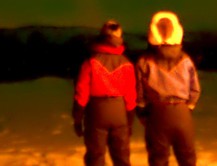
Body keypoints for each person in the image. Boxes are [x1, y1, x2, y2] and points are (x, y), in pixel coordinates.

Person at [135, 11, 200, 166]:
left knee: (158, 158)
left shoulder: (145, 61)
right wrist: (188, 106)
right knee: (187, 158)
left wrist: (143, 112)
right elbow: (195, 88)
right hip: (182, 112)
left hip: (157, 113)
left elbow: (139, 92)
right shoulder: (186, 60)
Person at [73, 19, 137, 166]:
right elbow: (131, 95)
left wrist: (77, 118)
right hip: (120, 112)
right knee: (122, 157)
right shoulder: (126, 63)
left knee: (95, 156)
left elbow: (81, 93)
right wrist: (129, 122)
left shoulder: (91, 62)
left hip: (96, 113)